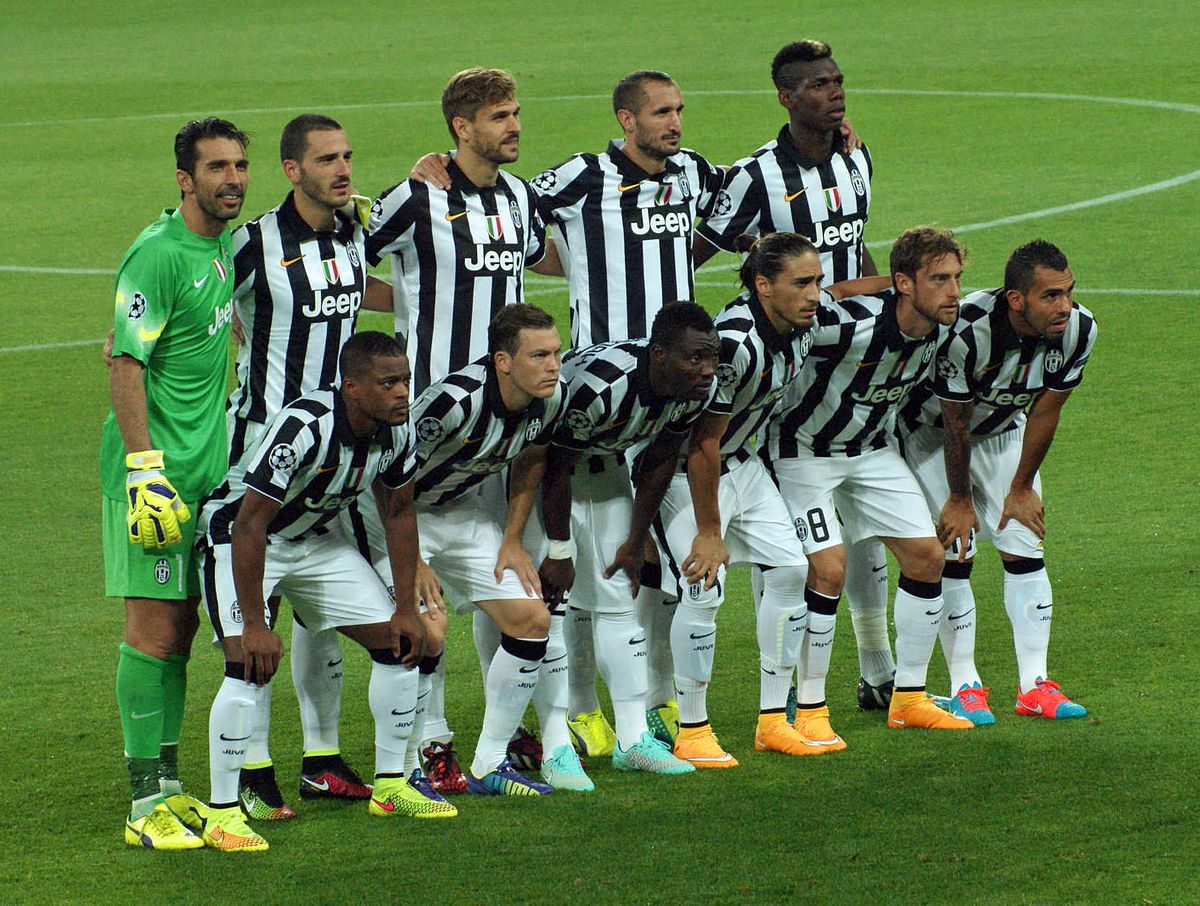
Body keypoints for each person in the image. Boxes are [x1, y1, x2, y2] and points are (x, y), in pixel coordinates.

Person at [366, 69, 562, 789]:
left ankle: (495, 749)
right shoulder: (416, 195)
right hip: (423, 431)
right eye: (501, 116)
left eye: (516, 113)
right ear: (461, 126)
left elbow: (545, 251)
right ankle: (431, 746)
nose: (514, 126)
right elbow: (345, 262)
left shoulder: (518, 197)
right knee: (426, 608)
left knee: (507, 595)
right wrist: (413, 302)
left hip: (496, 437)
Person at [693, 39, 896, 710]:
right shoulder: (752, 176)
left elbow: (857, 239)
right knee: (787, 525)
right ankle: (779, 692)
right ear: (786, 97)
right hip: (786, 369)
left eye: (838, 81)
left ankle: (878, 669)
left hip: (853, 364)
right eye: (818, 85)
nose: (834, 93)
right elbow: (694, 250)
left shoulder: (856, 156)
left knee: (858, 515)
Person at [196, 332, 454, 852]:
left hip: (316, 542)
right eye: (389, 383)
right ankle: (222, 813)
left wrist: (405, 607)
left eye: (405, 380)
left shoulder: (397, 431)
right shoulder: (305, 427)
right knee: (247, 662)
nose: (403, 392)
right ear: (352, 388)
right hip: (244, 540)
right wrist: (254, 623)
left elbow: (399, 513)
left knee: (403, 643)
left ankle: (390, 786)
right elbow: (249, 525)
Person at [225, 114, 392, 820]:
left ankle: (321, 758)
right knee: (255, 609)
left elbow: (368, 290)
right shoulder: (252, 243)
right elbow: (208, 310)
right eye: (327, 159)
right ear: (292, 170)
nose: (343, 169)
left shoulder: (352, 234)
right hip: (264, 448)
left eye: (348, 156)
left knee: (323, 611)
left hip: (339, 457)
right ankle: (251, 770)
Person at [759, 226, 977, 738]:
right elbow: (801, 308)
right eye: (939, 279)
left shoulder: (946, 329)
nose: (953, 291)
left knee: (929, 557)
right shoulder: (847, 325)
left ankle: (909, 697)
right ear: (903, 283)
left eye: (956, 278)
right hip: (802, 451)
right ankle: (810, 710)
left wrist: (961, 495)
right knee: (828, 569)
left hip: (872, 453)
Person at [101, 117, 247, 850]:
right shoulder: (158, 257)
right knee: (151, 632)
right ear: (184, 179)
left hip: (205, 469)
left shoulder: (222, 243)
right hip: (153, 472)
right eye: (217, 168)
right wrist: (144, 470)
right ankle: (139, 806)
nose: (233, 179)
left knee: (184, 630)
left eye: (240, 165)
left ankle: (169, 783)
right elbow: (122, 362)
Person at [653, 233, 832, 766]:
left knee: (788, 570)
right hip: (689, 472)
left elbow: (848, 292)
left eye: (817, 281)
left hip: (742, 464)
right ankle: (692, 728)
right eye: (802, 283)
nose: (815, 294)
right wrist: (710, 532)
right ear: (762, 285)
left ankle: (773, 720)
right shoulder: (734, 345)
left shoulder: (799, 323)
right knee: (703, 588)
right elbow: (702, 443)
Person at [898, 240, 1095, 722]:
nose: (1064, 306)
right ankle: (965, 684)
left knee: (1025, 542)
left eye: (1068, 292)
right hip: (932, 435)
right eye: (1050, 296)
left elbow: (1047, 409)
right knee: (955, 549)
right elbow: (954, 421)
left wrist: (1022, 487)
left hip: (1005, 431)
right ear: (1015, 299)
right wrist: (960, 497)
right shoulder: (966, 332)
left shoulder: (1079, 330)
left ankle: (1035, 685)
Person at [538, 301, 719, 774]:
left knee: (619, 596)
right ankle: (554, 747)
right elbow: (553, 468)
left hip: (607, 468)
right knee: (548, 606)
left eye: (712, 357)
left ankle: (634, 739)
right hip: (540, 477)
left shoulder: (696, 388)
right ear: (659, 356)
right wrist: (559, 549)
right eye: (696, 358)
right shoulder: (601, 387)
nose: (707, 370)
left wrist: (637, 539)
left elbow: (660, 457)